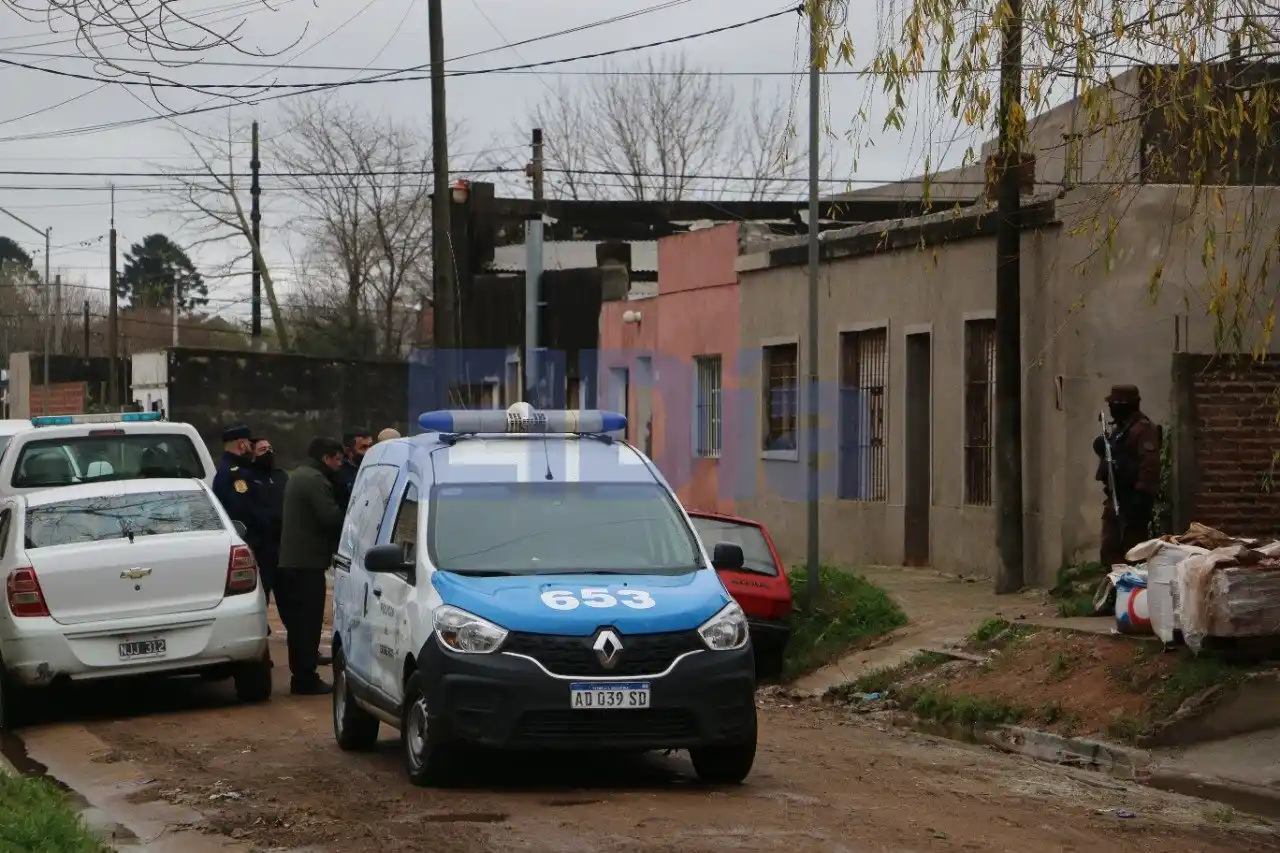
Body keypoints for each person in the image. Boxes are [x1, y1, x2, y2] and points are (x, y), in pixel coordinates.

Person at [276, 437, 346, 695]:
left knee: (300, 624)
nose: (339, 464)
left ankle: (303, 672)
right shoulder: (314, 480)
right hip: (305, 563)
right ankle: (305, 677)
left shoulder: (302, 475)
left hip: (297, 561)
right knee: (307, 623)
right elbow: (331, 518)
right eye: (337, 459)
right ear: (326, 458)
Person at [1093, 384, 1161, 566]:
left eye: (1115, 405)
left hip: (1133, 503)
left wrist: (1139, 497)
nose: (1111, 409)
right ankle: (1115, 589)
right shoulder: (1121, 429)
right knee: (1109, 550)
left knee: (1133, 553)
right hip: (1116, 499)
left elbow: (1150, 465)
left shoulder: (1143, 429)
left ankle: (1132, 591)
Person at [211, 425, 270, 559]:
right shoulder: (237, 474)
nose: (251, 447)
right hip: (248, 541)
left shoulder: (227, 470)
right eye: (249, 443)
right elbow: (243, 509)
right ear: (242, 445)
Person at [250, 437, 288, 605]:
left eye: (270, 448)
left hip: (282, 545)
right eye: (262, 449)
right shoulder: (249, 478)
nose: (268, 452)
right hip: (261, 546)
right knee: (261, 593)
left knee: (288, 595)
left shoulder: (281, 477)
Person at [333, 427, 373, 508]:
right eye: (363, 448)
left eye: (370, 446)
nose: (369, 451)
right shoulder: (340, 477)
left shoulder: (377, 469)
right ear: (348, 451)